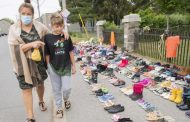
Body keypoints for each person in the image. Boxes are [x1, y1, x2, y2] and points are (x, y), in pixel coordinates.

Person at [8, 2, 68, 122]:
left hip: (38, 63)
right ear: (19, 14)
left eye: (28, 14)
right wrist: (31, 44)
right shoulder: (13, 29)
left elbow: (53, 35)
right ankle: (30, 116)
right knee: (26, 89)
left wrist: (63, 32)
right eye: (23, 13)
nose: (26, 16)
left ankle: (40, 100)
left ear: (33, 15)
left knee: (40, 85)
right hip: (22, 65)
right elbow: (13, 47)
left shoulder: (39, 26)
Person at [44, 13, 76, 118]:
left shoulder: (66, 36)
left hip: (66, 66)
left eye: (60, 26)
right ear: (51, 26)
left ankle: (66, 99)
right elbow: (47, 53)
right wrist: (48, 67)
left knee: (66, 88)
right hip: (53, 67)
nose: (58, 28)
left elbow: (71, 51)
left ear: (63, 25)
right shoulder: (47, 37)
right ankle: (58, 108)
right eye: (56, 26)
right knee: (56, 89)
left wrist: (74, 66)